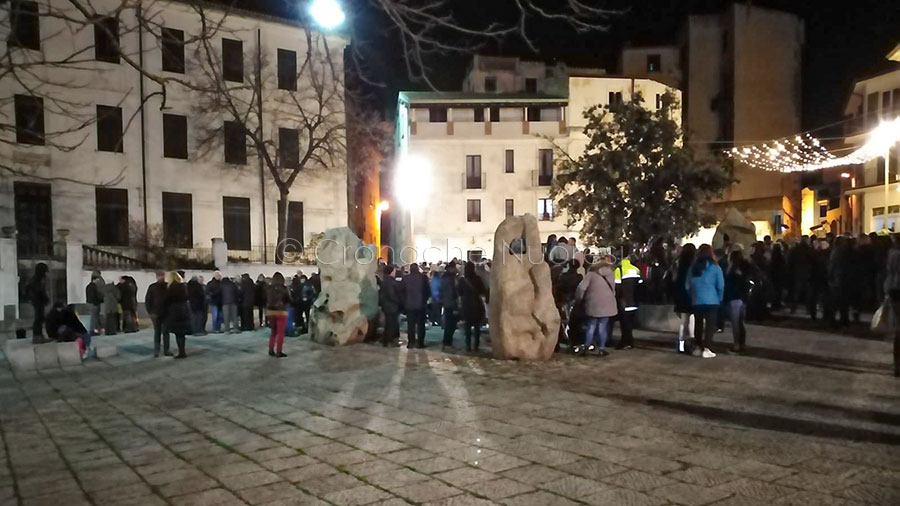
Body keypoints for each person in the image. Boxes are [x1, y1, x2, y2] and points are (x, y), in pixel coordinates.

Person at [574, 255, 618, 356]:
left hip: (593, 303)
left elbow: (581, 288)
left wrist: (579, 299)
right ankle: (601, 348)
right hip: (607, 303)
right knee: (603, 326)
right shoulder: (611, 273)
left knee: (591, 326)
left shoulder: (591, 274)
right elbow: (613, 289)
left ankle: (586, 347)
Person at [687, 244, 724, 359]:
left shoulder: (693, 268)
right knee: (710, 326)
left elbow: (687, 285)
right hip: (712, 300)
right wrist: (719, 298)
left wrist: (693, 295)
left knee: (698, 324)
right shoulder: (715, 267)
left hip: (697, 300)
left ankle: (698, 346)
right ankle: (707, 348)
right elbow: (721, 285)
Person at [612, 251, 641, 350]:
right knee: (630, 323)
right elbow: (640, 286)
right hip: (634, 301)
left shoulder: (618, 270)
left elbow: (617, 287)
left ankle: (626, 342)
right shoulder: (636, 270)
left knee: (624, 324)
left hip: (624, 302)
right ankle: (629, 341)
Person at [458, 261, 488, 352]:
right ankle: (476, 345)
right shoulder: (478, 279)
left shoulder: (462, 280)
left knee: (467, 326)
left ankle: (468, 345)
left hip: (467, 305)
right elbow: (482, 291)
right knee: (476, 327)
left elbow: (459, 292)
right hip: (476, 304)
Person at [724, 250, 750, 353]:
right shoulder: (745, 268)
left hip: (734, 298)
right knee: (740, 323)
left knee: (735, 324)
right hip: (743, 298)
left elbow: (731, 284)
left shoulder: (734, 270)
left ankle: (736, 346)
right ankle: (741, 344)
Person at [672, 244, 696, 353]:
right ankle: (691, 341)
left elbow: (674, 278)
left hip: (680, 293)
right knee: (691, 319)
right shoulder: (694, 264)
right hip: (691, 294)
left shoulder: (678, 263)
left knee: (683, 321)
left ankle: (681, 343)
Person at [159, 272, 190, 359]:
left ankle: (181, 352)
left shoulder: (171, 288)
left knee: (178, 332)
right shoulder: (183, 286)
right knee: (182, 332)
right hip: (183, 310)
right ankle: (182, 350)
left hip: (175, 311)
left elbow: (167, 300)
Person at [402, 263, 431, 349]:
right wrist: (425, 300)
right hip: (421, 305)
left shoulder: (405, 278)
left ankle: (411, 343)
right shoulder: (423, 278)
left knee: (410, 325)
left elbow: (402, 292)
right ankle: (420, 343)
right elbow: (428, 291)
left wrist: (405, 302)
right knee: (421, 325)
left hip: (409, 305)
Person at [884, 236, 900, 377]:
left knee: (898, 328)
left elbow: (889, 271)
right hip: (896, 289)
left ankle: (897, 365)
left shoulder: (892, 254)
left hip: (895, 290)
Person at [266, 272, 291, 357]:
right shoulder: (284, 288)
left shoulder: (268, 288)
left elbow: (265, 298)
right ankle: (279, 351)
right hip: (281, 312)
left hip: (270, 312)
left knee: (273, 331)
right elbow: (288, 299)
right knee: (280, 333)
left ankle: (271, 349)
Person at [145, 271, 169, 357]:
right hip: (156, 313)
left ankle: (166, 350)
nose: (161, 277)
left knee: (166, 332)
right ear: (156, 277)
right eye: (159, 276)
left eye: (162, 276)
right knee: (157, 332)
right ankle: (157, 350)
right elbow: (148, 300)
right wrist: (150, 312)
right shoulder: (152, 287)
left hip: (166, 313)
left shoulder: (167, 286)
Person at [379, 264, 402, 347]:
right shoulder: (391, 282)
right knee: (391, 324)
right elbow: (392, 295)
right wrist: (399, 301)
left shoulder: (385, 281)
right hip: (392, 306)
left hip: (386, 305)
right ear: (391, 272)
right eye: (394, 271)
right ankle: (389, 341)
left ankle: (386, 340)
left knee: (388, 324)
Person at [439, 263, 460, 350]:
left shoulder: (443, 278)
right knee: (451, 324)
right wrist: (456, 306)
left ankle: (447, 341)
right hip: (451, 303)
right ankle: (448, 342)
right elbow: (453, 293)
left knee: (448, 323)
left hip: (446, 303)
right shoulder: (452, 279)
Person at [27, 262, 49, 340]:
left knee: (40, 318)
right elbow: (38, 291)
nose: (46, 274)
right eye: (45, 271)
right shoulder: (36, 280)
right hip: (38, 302)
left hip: (39, 302)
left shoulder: (38, 280)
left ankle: (39, 335)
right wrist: (43, 298)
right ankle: (37, 336)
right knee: (39, 318)